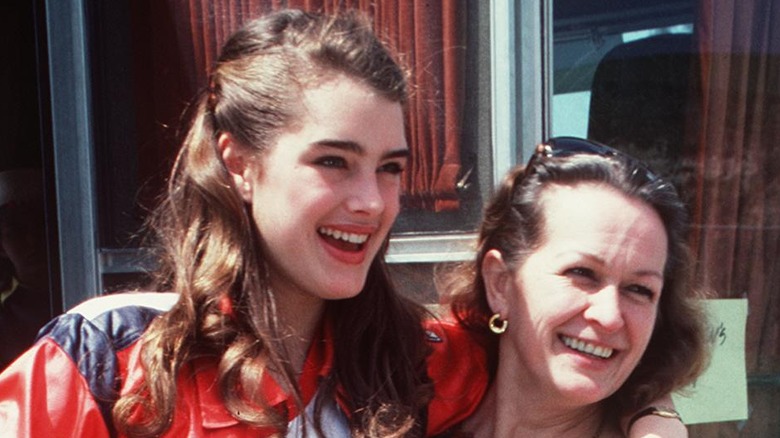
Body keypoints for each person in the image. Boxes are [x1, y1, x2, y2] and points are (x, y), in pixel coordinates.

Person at [0, 9, 493, 437]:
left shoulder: (423, 363)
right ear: (239, 165)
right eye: (333, 162)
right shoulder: (111, 359)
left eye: (390, 168)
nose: (371, 202)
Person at [440, 136, 710, 437]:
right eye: (582, 272)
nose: (609, 316)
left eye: (639, 290)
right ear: (500, 284)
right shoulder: (407, 408)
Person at [0, 168, 52, 371]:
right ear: (1, 246)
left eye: (40, 227)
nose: (32, 242)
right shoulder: (5, 320)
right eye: (16, 232)